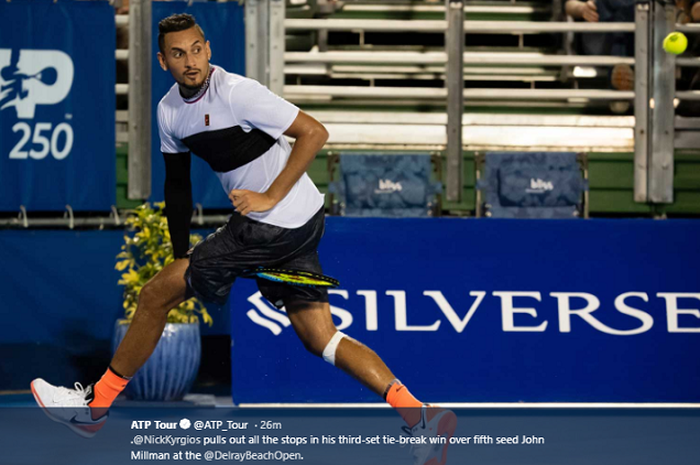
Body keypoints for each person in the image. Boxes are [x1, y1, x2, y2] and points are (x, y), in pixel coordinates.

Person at [30, 13, 456, 465]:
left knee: (155, 296)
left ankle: (94, 409)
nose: (190, 61)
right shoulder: (169, 111)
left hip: (274, 218)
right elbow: (178, 186)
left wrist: (269, 194)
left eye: (197, 49)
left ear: (209, 48)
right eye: (178, 54)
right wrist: (182, 259)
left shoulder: (238, 92)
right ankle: (420, 414)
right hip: (302, 218)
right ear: (162, 61)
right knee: (320, 337)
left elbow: (314, 132)